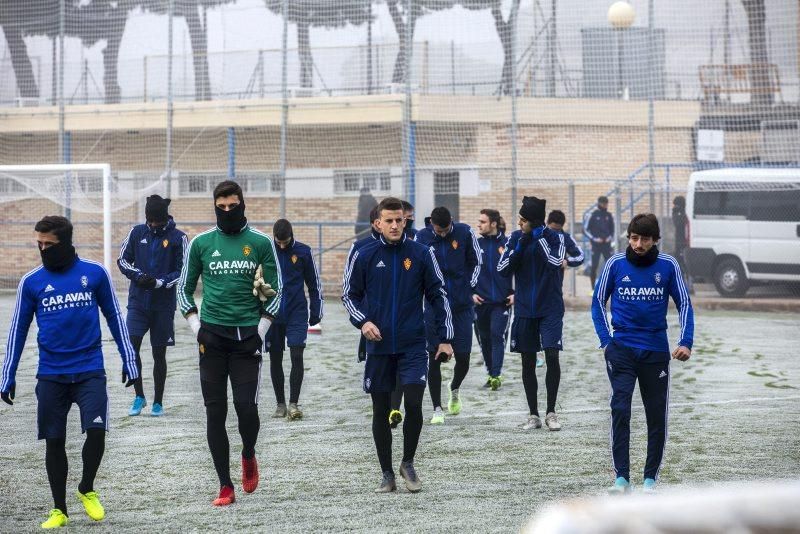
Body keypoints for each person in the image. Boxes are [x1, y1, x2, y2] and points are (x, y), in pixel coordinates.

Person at [1, 215, 139, 529]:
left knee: (97, 431)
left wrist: (130, 360)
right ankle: (59, 509)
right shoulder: (31, 282)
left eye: (49, 244)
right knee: (54, 440)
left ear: (65, 242)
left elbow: (116, 319)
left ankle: (86, 487)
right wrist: (7, 374)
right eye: (39, 243)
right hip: (51, 374)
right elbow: (17, 331)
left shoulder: (94, 274)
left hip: (90, 369)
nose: (43, 248)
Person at [178, 180, 282, 506]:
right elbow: (183, 290)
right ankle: (225, 485)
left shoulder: (261, 243)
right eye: (220, 207)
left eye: (232, 206)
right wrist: (197, 329)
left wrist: (260, 332)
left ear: (242, 204)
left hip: (247, 339)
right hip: (211, 338)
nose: (226, 211)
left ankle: (248, 453)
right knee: (215, 412)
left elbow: (276, 293)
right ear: (215, 206)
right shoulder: (201, 243)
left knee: (246, 408)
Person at [342, 197, 453, 494]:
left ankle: (408, 462)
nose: (394, 225)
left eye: (399, 220)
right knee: (380, 411)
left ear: (405, 221)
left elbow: (438, 294)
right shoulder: (362, 253)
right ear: (378, 222)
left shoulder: (421, 253)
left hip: (413, 344)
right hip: (378, 348)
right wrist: (363, 322)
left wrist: (444, 337)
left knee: (414, 405)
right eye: (388, 220)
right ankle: (386, 473)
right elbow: (349, 295)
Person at [591, 213, 693, 494]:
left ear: (655, 240)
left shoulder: (668, 265)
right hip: (621, 350)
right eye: (634, 238)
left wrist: (686, 341)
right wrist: (606, 342)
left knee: (655, 415)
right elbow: (597, 303)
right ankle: (621, 479)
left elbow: (684, 304)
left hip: (656, 352)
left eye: (644, 239)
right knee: (620, 410)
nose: (638, 244)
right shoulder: (615, 264)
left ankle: (650, 481)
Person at [498, 196, 566, 431]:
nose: (519, 223)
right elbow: (502, 269)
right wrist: (520, 246)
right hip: (526, 309)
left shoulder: (555, 237)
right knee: (528, 361)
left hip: (551, 308)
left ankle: (551, 413)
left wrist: (540, 239)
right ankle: (533, 415)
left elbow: (556, 261)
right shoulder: (516, 238)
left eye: (523, 220)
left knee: (552, 356)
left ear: (534, 222)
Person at [117, 194, 187, 417]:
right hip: (138, 303)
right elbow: (123, 260)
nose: (153, 225)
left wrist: (160, 282)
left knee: (159, 354)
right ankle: (139, 396)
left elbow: (183, 271)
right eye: (150, 221)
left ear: (165, 218)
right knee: (132, 346)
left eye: (157, 221)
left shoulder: (179, 238)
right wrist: (138, 276)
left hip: (163, 306)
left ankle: (158, 401)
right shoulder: (137, 232)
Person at [415, 206, 481, 424]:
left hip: (461, 307)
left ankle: (454, 388)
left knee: (463, 358)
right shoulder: (422, 237)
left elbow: (477, 262)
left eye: (446, 230)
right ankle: (437, 408)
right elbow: (416, 269)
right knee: (433, 358)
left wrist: (468, 287)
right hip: (434, 309)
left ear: (451, 222)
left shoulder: (465, 232)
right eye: (438, 231)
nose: (443, 234)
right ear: (431, 224)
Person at [267, 219, 323, 421]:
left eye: (285, 242)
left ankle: (293, 403)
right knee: (275, 358)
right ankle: (280, 404)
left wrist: (316, 311)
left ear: (292, 236)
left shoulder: (303, 252)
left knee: (297, 355)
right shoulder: (266, 251)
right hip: (271, 314)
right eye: (278, 242)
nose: (282, 246)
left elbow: (314, 285)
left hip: (297, 312)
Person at [473, 209, 513, 390]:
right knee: (484, 338)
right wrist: (470, 294)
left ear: (493, 224)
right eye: (479, 221)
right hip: (480, 302)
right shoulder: (475, 245)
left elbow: (521, 271)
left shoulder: (508, 244)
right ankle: (490, 373)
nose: (479, 225)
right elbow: (465, 271)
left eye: (482, 222)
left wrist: (515, 293)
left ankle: (496, 375)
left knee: (497, 335)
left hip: (501, 302)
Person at [585, 195, 615, 289]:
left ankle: (612, 286)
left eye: (606, 203)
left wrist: (609, 238)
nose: (605, 205)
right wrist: (594, 239)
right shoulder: (592, 215)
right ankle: (593, 288)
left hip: (606, 245)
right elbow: (585, 230)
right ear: (599, 203)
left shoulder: (609, 215)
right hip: (596, 245)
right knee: (594, 266)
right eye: (603, 203)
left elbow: (612, 230)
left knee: (611, 265)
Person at [671, 196, 692, 292]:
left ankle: (688, 285)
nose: (674, 207)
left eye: (676, 205)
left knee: (684, 264)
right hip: (679, 243)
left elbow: (678, 223)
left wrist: (676, 212)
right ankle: (683, 285)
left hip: (683, 243)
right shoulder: (680, 214)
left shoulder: (682, 214)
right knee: (679, 263)